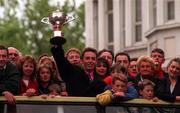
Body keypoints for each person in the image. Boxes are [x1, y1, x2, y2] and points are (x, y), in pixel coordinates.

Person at [0, 45, 20, 113]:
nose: (1, 59)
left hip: (8, 107)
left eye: (4, 56)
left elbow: (14, 86)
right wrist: (4, 92)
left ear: (8, 58)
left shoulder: (13, 68)